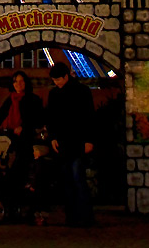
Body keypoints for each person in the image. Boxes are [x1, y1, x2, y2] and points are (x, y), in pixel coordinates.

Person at [44, 61, 96, 227]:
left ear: (66, 76)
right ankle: (73, 216)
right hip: (63, 143)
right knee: (67, 179)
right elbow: (51, 118)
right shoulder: (55, 94)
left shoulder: (81, 92)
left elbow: (89, 117)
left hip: (77, 142)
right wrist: (52, 137)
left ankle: (84, 216)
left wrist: (89, 140)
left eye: (58, 79)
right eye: (54, 80)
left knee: (77, 178)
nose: (56, 83)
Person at [0, 70, 44, 215]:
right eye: (15, 82)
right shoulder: (10, 99)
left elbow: (37, 119)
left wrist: (24, 127)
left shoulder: (33, 100)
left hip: (25, 140)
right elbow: (0, 115)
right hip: (10, 139)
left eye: (21, 81)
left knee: (18, 167)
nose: (18, 84)